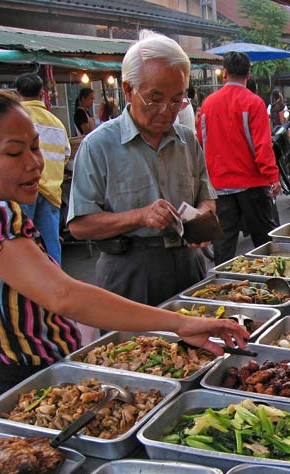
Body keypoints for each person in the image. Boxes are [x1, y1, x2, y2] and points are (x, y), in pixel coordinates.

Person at [0, 88, 249, 410]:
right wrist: (180, 323)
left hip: (12, 379)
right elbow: (64, 296)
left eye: (35, 147)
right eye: (15, 153)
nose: (34, 163)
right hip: (20, 384)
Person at [68, 30, 216, 306]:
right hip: (129, 270)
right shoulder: (98, 145)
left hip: (188, 265)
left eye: (177, 100)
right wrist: (140, 216)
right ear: (128, 90)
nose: (166, 110)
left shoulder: (187, 140)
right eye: (155, 99)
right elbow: (79, 225)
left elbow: (206, 197)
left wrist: (203, 218)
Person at [197, 51, 279, 265]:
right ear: (248, 74)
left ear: (224, 73)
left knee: (223, 248)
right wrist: (272, 177)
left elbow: (201, 143)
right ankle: (273, 287)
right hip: (251, 184)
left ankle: (224, 288)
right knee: (265, 243)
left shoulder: (208, 104)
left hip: (220, 187)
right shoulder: (253, 102)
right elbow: (263, 145)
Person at [14, 72, 71, 265]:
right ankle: (54, 285)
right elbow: (65, 155)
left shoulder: (11, 118)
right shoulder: (56, 123)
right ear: (42, 94)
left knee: (21, 244)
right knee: (50, 244)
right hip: (51, 192)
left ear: (17, 93)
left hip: (22, 190)